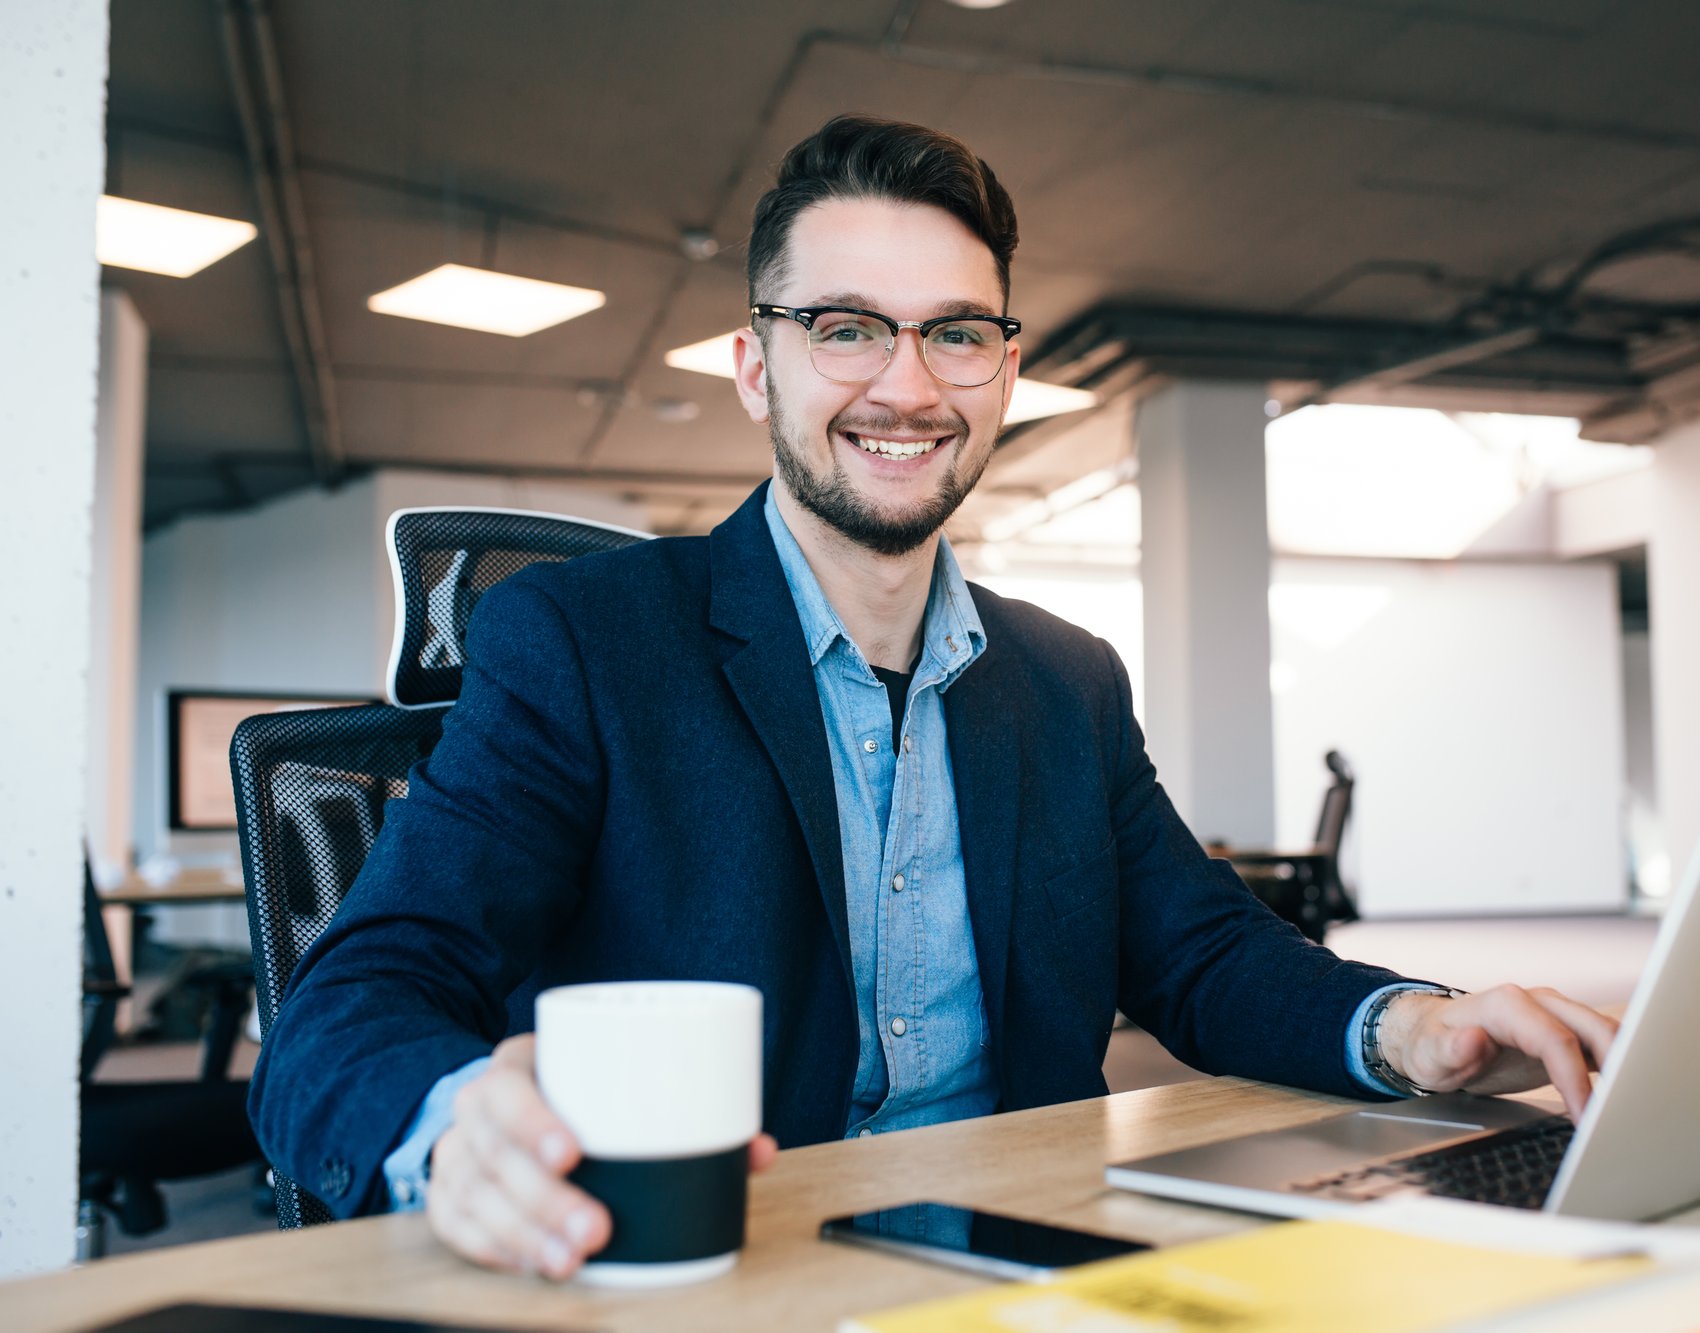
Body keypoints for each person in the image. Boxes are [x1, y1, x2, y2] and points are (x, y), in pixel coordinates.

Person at [251, 115, 1617, 1280]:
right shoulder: (582, 641)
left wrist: (1418, 1027)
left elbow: (1202, 957)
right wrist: (453, 1116)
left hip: (1019, 1260)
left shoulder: (1067, 679)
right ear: (754, 365)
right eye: (845, 328)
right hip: (730, 1270)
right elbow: (354, 998)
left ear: (1006, 371)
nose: (906, 386)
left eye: (956, 334)